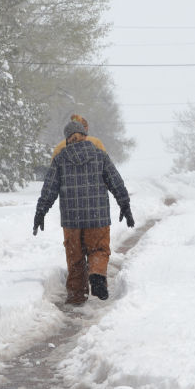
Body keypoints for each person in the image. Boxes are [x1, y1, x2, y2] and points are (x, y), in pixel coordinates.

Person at [34, 119, 134, 305]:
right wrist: (125, 205)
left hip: (71, 221)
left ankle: (76, 298)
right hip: (98, 217)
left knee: (75, 259)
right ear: (85, 136)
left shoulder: (60, 159)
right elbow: (116, 182)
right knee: (99, 250)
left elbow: (49, 189)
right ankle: (96, 274)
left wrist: (41, 211)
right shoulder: (100, 155)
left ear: (67, 139)